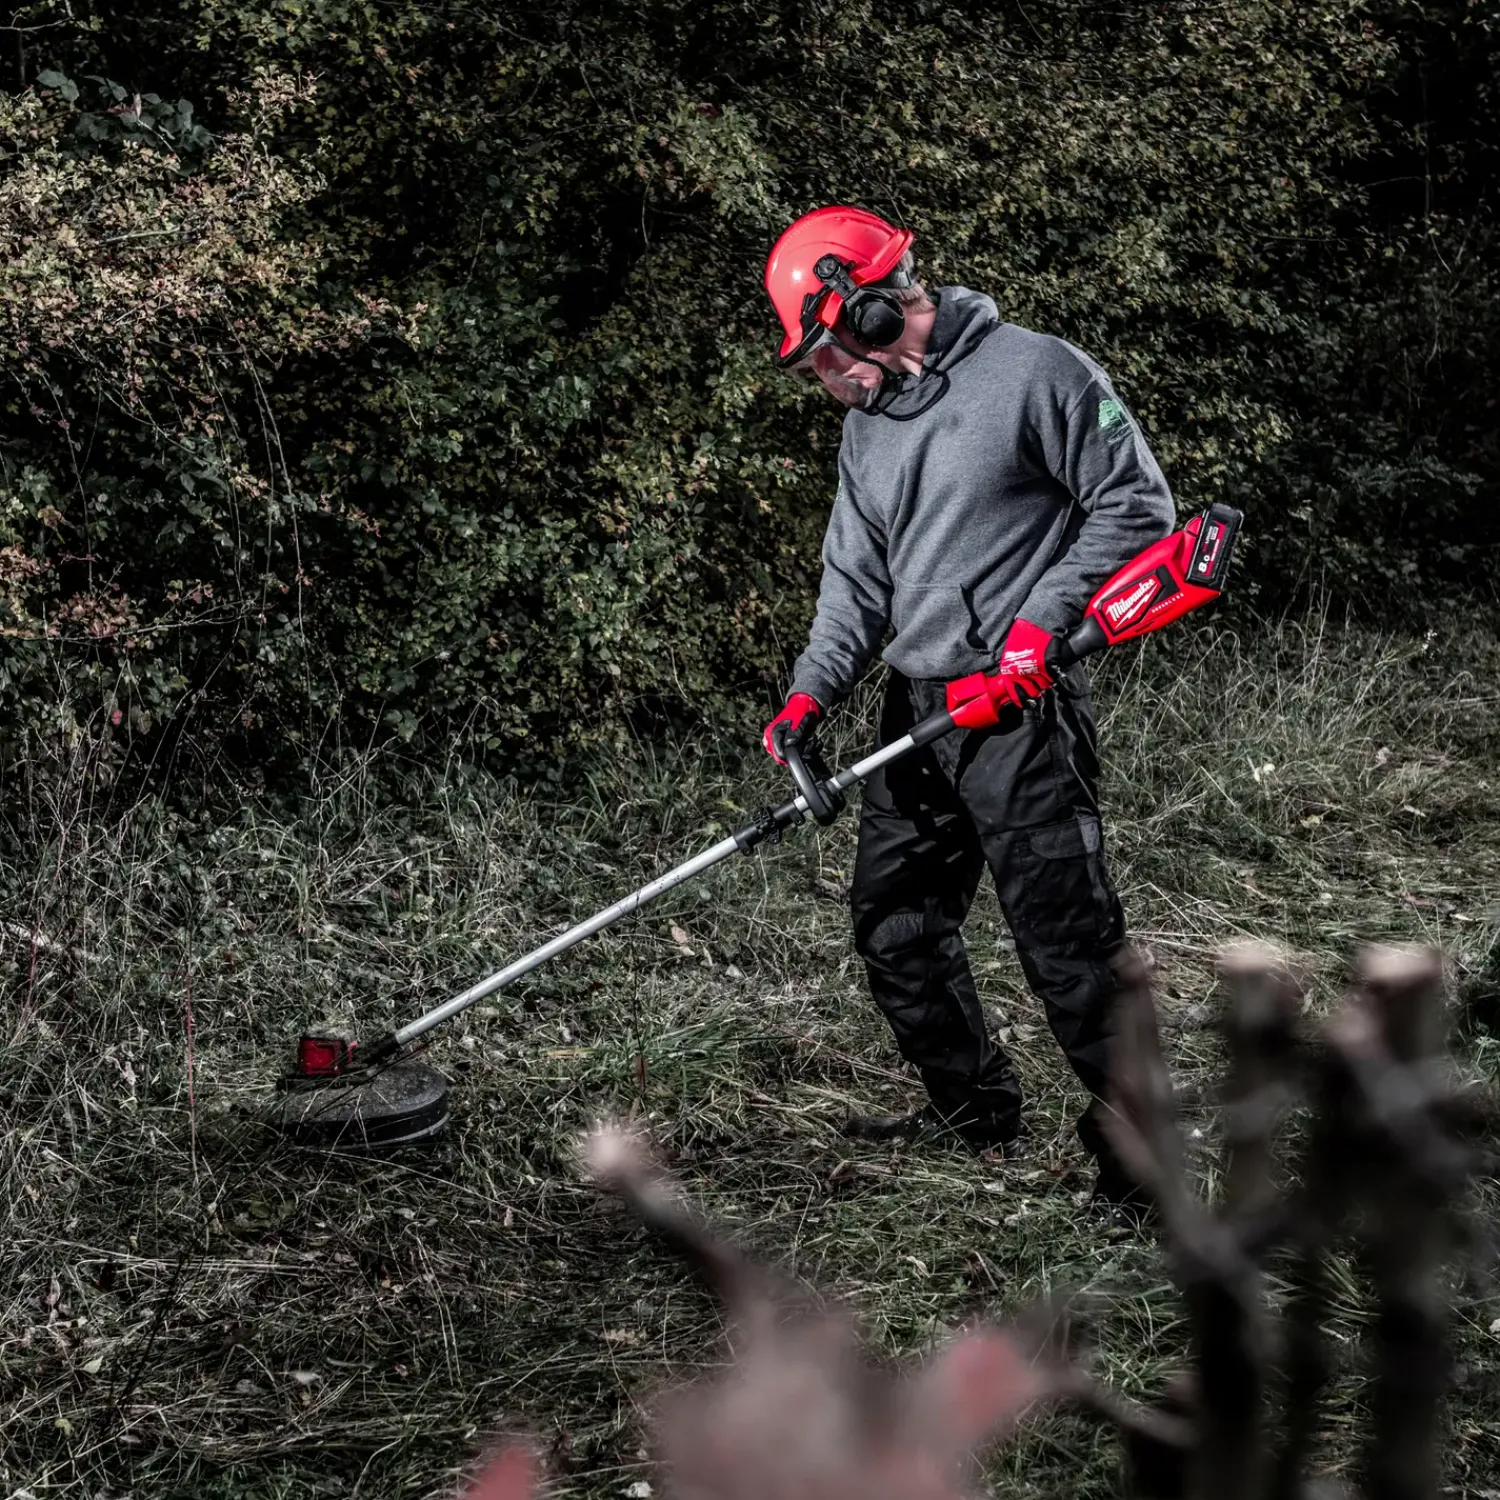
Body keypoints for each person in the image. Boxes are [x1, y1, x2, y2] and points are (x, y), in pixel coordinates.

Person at [760, 205, 1175, 1220]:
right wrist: (812, 690)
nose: (828, 379)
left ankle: (1146, 1165)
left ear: (863, 309)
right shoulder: (869, 428)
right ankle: (973, 1107)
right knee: (896, 924)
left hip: (1020, 710)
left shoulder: (1039, 373)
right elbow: (855, 580)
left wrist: (1037, 627)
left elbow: (1136, 505)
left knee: (1067, 943)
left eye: (823, 354)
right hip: (920, 707)